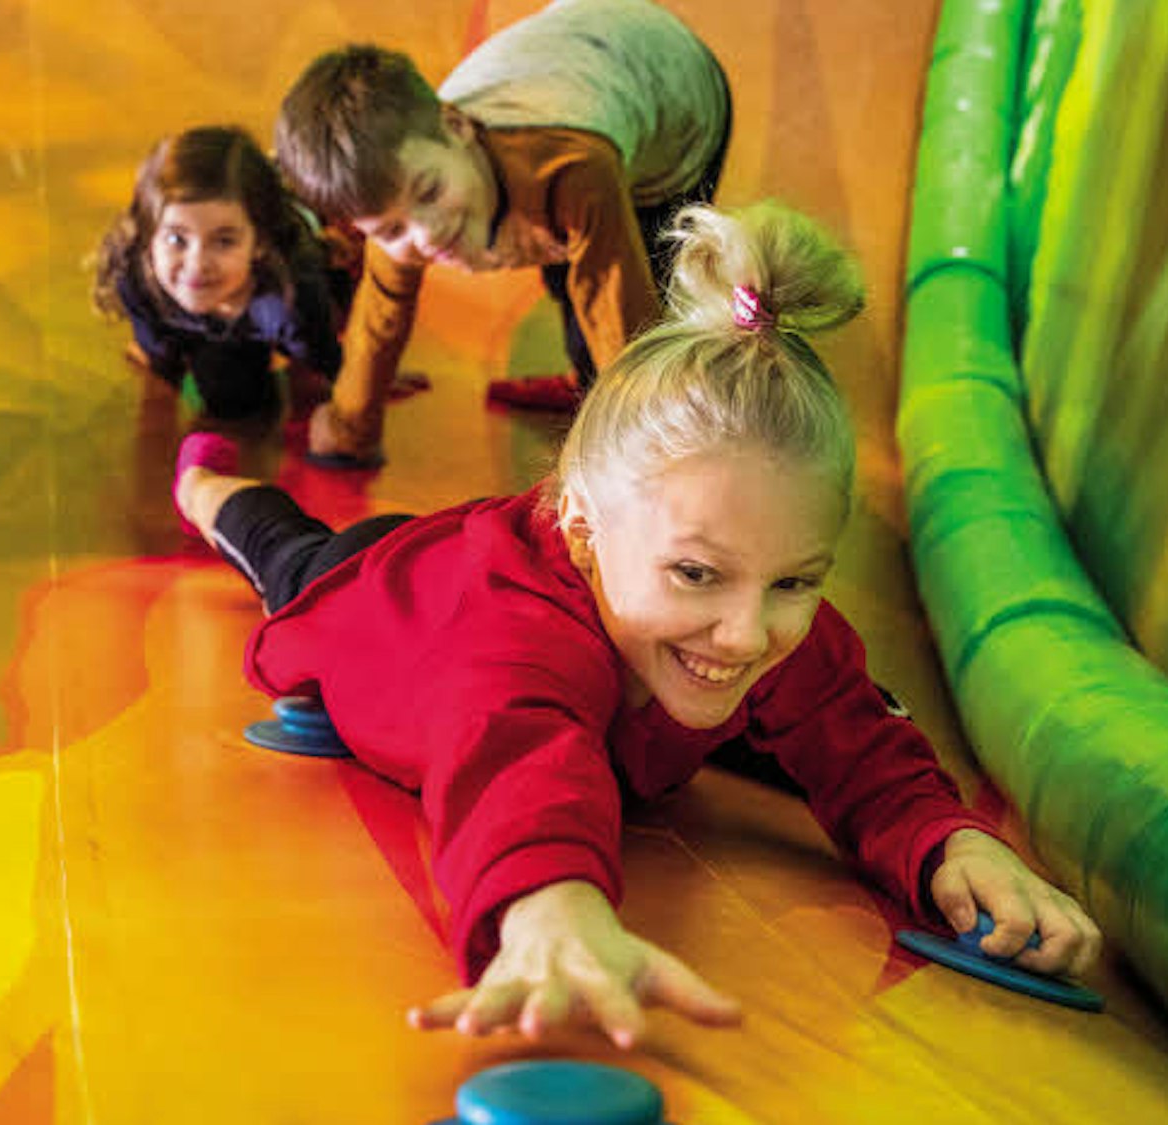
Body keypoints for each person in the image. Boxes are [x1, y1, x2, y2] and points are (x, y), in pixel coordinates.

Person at [172, 202, 1101, 1045]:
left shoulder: (747, 613)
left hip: (558, 610)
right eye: (696, 573)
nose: (745, 631)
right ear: (582, 528)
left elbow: (857, 737)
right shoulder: (511, 642)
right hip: (390, 592)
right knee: (288, 553)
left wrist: (951, 840)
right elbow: (514, 754)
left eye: (793, 581)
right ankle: (209, 487)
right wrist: (551, 903)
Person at [271, 0, 732, 466]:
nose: (426, 237)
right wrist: (350, 428)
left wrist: (642, 446)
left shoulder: (570, 166)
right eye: (390, 230)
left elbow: (617, 306)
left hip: (676, 93)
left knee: (633, 282)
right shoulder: (402, 189)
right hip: (578, 64)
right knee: (562, 270)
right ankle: (588, 381)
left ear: (457, 127)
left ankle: (615, 399)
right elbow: (380, 313)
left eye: (430, 192)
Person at [93, 125, 350, 427]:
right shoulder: (137, 280)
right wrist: (160, 364)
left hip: (296, 260)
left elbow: (333, 362)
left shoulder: (289, 300)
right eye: (177, 239)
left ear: (260, 243)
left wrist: (368, 380)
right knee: (231, 401)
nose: (197, 264)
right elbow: (163, 366)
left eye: (224, 241)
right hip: (225, 320)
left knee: (317, 344)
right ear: (149, 236)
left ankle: (303, 199)